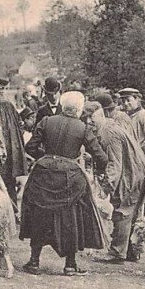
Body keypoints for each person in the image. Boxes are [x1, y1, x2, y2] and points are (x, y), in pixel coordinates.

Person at [20, 91, 109, 275]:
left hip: (43, 174)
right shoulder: (83, 128)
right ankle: (70, 265)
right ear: (78, 109)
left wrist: (45, 158)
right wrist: (98, 169)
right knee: (72, 217)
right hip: (70, 178)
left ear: (62, 105)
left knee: (39, 214)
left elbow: (30, 147)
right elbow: (101, 156)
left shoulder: (46, 121)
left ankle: (34, 261)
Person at [90, 92, 145, 265]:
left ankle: (117, 253)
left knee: (123, 212)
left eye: (91, 120)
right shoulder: (111, 125)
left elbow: (115, 164)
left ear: (98, 115)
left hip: (131, 174)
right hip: (135, 171)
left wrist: (106, 188)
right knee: (130, 212)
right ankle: (131, 251)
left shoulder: (108, 133)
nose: (89, 124)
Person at [116, 87, 145, 211]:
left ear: (137, 99)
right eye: (123, 101)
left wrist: (137, 151)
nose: (125, 104)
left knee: (143, 197)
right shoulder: (124, 116)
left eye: (128, 100)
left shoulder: (144, 116)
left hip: (142, 163)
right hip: (129, 164)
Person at [0, 76, 28, 209]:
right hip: (9, 150)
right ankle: (12, 210)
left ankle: (10, 210)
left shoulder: (2, 105)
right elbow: (20, 125)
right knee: (8, 181)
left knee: (2, 181)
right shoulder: (8, 105)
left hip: (2, 150)